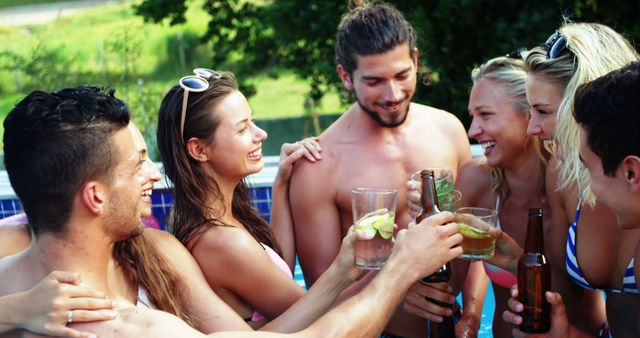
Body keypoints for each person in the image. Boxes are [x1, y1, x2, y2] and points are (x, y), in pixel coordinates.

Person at [0, 85, 464, 338]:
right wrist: (399, 270)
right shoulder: (133, 327)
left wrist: (345, 269)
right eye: (138, 164)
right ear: (95, 197)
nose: (154, 177)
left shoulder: (154, 251)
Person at [288, 2, 472, 336]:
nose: (393, 94)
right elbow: (321, 299)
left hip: (453, 324)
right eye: (374, 81)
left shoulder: (448, 130)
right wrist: (395, 283)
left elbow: (475, 235)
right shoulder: (319, 166)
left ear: (415, 60)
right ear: (346, 77)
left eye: (402, 75)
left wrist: (472, 314)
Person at [156, 68, 333, 325]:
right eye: (242, 129)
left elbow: (269, 273)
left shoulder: (198, 214)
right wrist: (348, 268)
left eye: (252, 121)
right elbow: (315, 318)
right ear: (199, 150)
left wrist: (281, 184)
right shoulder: (223, 241)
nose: (261, 134)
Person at [406, 54, 554, 337]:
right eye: (472, 116)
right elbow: (449, 287)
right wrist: (431, 223)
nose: (473, 131)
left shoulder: (568, 183)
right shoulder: (476, 181)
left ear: (529, 113)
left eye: (485, 115)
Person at [511, 22, 640, 337]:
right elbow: (567, 302)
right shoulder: (562, 170)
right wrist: (511, 260)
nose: (532, 128)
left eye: (544, 111)